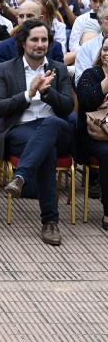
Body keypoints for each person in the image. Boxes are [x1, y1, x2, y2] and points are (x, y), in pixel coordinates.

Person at [0, 19, 74, 246]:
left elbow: (67, 106)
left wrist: (48, 93)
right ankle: (50, 222)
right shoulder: (7, 68)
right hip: (21, 130)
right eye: (34, 40)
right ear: (23, 43)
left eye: (44, 40)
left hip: (57, 128)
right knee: (46, 150)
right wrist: (28, 95)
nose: (40, 44)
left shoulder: (58, 68)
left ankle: (21, 176)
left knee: (49, 125)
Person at [76, 37, 108, 229]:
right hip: (92, 136)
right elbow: (87, 102)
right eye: (105, 49)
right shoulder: (91, 74)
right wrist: (106, 82)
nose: (107, 53)